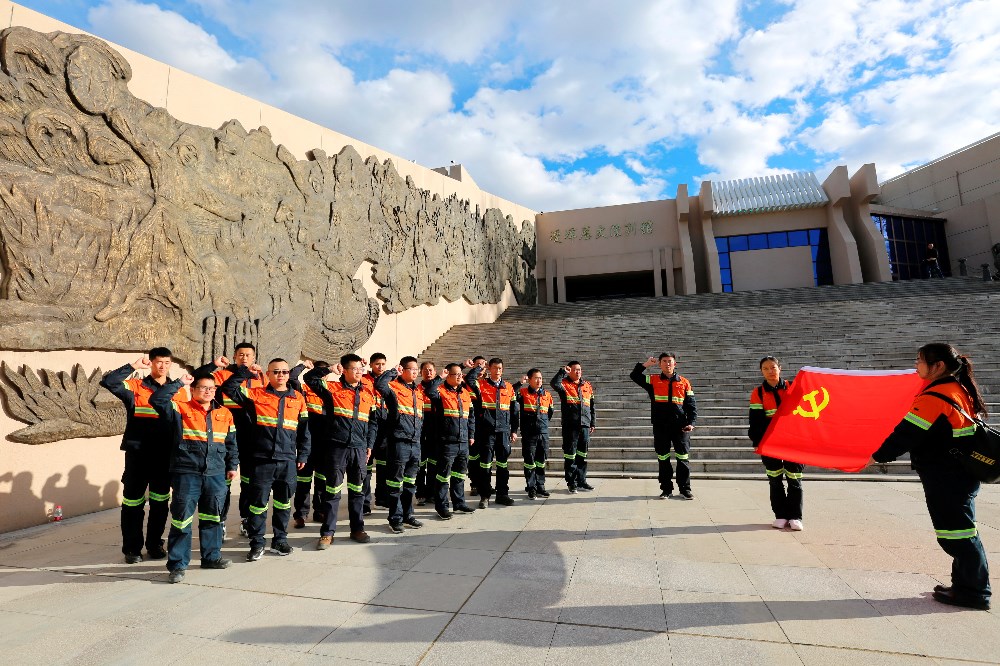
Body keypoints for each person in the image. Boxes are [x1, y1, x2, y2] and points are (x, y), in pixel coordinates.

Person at [870, 343, 991, 610]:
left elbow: (907, 433)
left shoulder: (935, 397)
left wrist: (875, 456)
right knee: (961, 530)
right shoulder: (956, 388)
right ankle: (964, 585)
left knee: (957, 534)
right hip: (958, 474)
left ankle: (975, 592)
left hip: (947, 476)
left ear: (937, 366)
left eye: (919, 360)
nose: (916, 365)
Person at [100, 348, 188, 564]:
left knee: (160, 502)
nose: (163, 367)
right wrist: (132, 367)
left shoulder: (179, 389)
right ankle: (132, 549)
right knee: (132, 502)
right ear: (151, 363)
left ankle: (155, 544)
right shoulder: (136, 386)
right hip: (138, 454)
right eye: (159, 362)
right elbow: (110, 382)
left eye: (167, 363)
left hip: (165, 455)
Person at [150, 373, 238, 583]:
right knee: (182, 520)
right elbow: (157, 400)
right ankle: (178, 565)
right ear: (193, 389)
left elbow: (231, 442)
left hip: (215, 473)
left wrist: (232, 465)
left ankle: (211, 557)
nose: (208, 391)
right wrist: (179, 382)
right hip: (187, 473)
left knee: (213, 518)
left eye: (212, 388)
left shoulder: (224, 413)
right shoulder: (180, 409)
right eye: (203, 388)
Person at [221, 358, 310, 561]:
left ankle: (280, 540)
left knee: (283, 504)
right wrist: (245, 372)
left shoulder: (298, 398)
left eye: (285, 372)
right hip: (262, 460)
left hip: (287, 461)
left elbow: (305, 431)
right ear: (268, 374)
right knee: (257, 505)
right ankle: (257, 543)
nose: (281, 375)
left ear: (289, 374)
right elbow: (228, 388)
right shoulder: (255, 394)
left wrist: (303, 454)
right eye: (276, 372)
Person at [304, 354, 379, 547]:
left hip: (359, 449)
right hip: (337, 448)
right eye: (354, 369)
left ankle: (357, 529)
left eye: (360, 369)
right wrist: (329, 369)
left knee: (357, 492)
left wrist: (369, 445)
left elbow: (373, 423)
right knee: (333, 491)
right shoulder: (332, 389)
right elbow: (309, 378)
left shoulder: (367, 393)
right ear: (344, 370)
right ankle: (327, 533)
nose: (359, 372)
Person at [196, 342, 267, 534]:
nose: (244, 358)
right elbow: (199, 377)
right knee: (223, 480)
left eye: (248, 355)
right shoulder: (222, 374)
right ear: (235, 356)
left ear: (254, 357)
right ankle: (220, 519)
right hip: (224, 430)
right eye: (241, 354)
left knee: (248, 480)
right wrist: (213, 365)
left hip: (251, 435)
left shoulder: (260, 376)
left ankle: (246, 518)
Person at [629, 354, 697, 499]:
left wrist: (691, 422)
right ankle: (666, 489)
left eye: (670, 361)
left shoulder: (684, 382)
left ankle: (685, 489)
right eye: (664, 361)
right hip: (661, 427)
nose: (667, 364)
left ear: (675, 364)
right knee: (663, 459)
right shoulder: (652, 380)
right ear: (660, 364)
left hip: (681, 427)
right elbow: (634, 376)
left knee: (683, 458)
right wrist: (646, 364)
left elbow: (691, 406)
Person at [375, 357, 429, 532]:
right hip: (399, 442)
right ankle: (395, 518)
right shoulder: (394, 388)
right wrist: (392, 372)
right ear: (403, 370)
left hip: (415, 443)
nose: (414, 372)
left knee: (410, 483)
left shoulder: (418, 392)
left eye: (416, 370)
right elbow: (379, 385)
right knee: (395, 483)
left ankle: (408, 515)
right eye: (411, 369)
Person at [748, 356, 802, 530]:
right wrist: (757, 441)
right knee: (775, 479)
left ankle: (795, 516)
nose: (770, 371)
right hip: (770, 442)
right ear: (761, 371)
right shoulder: (758, 393)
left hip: (793, 440)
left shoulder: (793, 387)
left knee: (794, 478)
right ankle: (780, 515)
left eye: (773, 367)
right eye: (766, 368)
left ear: (780, 368)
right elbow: (755, 420)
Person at [428, 362, 478, 519]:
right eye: (456, 374)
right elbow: (428, 390)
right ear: (447, 375)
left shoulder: (465, 393)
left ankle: (459, 503)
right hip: (447, 442)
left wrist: (471, 435)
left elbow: (471, 417)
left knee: (459, 474)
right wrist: (439, 377)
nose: (459, 377)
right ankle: (442, 506)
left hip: (463, 441)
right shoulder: (440, 391)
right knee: (443, 476)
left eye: (460, 375)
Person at [466, 357, 518, 509]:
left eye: (500, 368)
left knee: (503, 465)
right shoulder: (481, 385)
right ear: (489, 369)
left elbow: (514, 411)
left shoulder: (508, 387)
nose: (497, 371)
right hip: (486, 432)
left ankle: (502, 494)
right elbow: (469, 379)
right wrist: (479, 367)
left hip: (503, 432)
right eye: (494, 368)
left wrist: (514, 430)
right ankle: (485, 495)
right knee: (485, 465)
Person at [551, 361, 596, 493]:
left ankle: (582, 480)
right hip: (571, 425)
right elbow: (554, 384)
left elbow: (591, 405)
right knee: (570, 455)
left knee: (582, 454)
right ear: (570, 371)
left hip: (585, 425)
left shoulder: (587, 385)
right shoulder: (564, 384)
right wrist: (561, 372)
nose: (578, 372)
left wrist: (592, 422)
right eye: (575, 370)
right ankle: (571, 482)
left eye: (580, 369)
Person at [291, 360, 327, 529]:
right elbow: (292, 377)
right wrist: (303, 366)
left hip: (325, 442)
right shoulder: (303, 390)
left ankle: (320, 511)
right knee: (303, 481)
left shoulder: (331, 390)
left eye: (324, 373)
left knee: (322, 480)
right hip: (306, 442)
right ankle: (301, 514)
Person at [515, 368, 554, 499]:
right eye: (536, 378)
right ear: (529, 379)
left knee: (541, 461)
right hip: (529, 434)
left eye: (541, 378)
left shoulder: (547, 395)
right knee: (529, 462)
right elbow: (510, 395)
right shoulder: (523, 392)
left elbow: (550, 412)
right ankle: (531, 487)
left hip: (543, 433)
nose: (539, 381)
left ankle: (541, 486)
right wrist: (520, 383)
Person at [362, 353, 389, 513]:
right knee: (366, 467)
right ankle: (365, 503)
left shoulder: (390, 381)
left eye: (383, 364)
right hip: (367, 426)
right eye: (377, 364)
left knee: (384, 467)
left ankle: (382, 499)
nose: (380, 367)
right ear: (371, 365)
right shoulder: (364, 379)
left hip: (384, 429)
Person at [415, 361, 438, 505]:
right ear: (420, 372)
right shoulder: (416, 389)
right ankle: (420, 493)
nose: (428, 373)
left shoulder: (439, 389)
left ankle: (431, 493)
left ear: (435, 373)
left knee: (434, 464)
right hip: (420, 430)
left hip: (435, 431)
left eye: (430, 370)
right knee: (420, 464)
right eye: (425, 370)